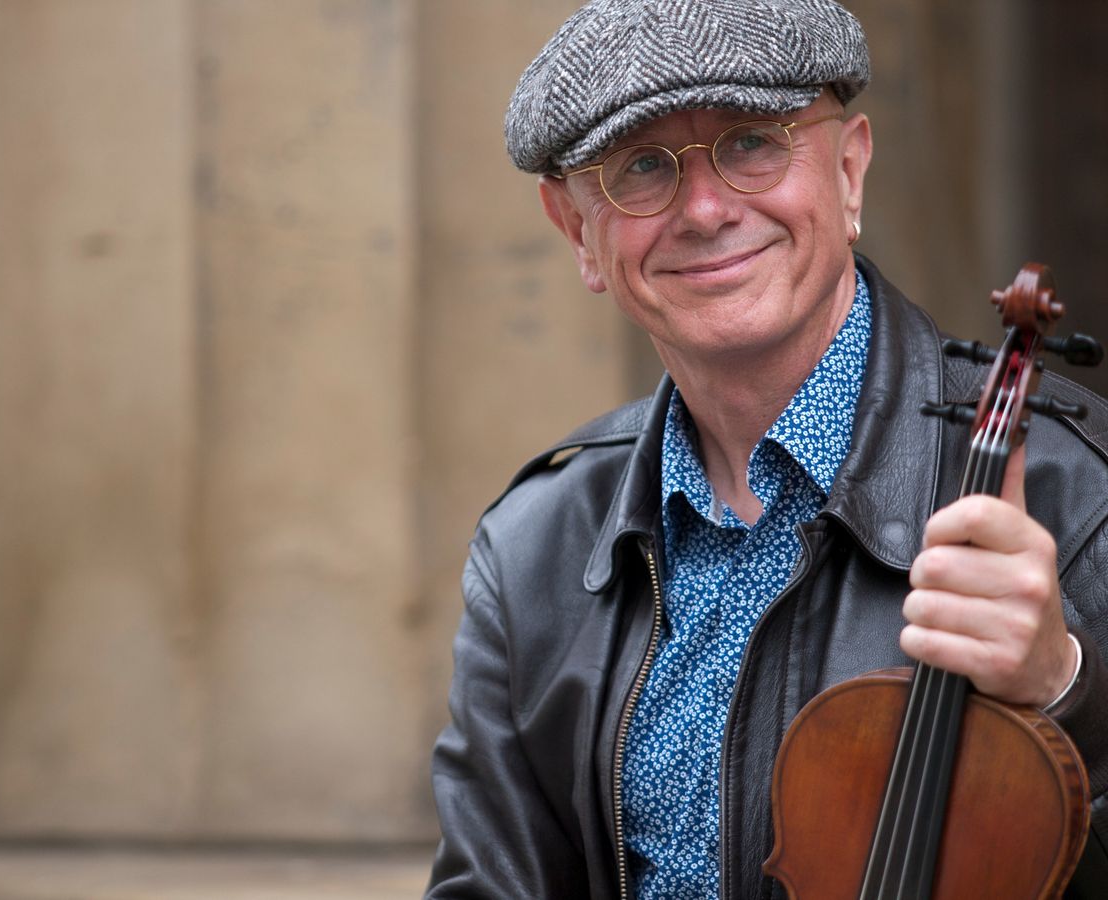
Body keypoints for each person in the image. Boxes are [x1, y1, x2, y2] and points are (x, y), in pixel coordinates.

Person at [426, 1, 1108, 897]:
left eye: (753, 143)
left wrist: (1069, 692)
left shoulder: (1079, 493)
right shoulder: (533, 549)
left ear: (851, 168)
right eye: (641, 169)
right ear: (575, 230)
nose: (706, 210)